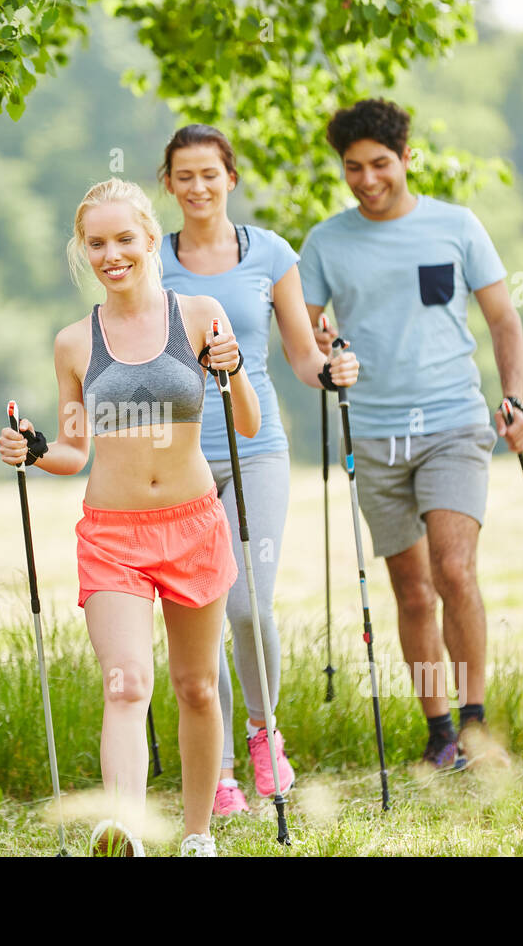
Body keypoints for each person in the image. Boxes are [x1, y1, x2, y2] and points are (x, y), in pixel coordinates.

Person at [0, 177, 261, 857]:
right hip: (113, 535)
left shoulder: (200, 314)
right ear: (82, 251)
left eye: (123, 239)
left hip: (194, 523)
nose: (111, 253)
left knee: (198, 688)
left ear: (150, 237)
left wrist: (234, 371)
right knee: (126, 682)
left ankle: (199, 834)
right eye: (96, 243)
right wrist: (32, 449)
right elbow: (76, 449)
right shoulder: (73, 343)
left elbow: (249, 423)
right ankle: (124, 831)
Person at [299, 98, 523, 769]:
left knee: (454, 571)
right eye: (352, 168)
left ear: (407, 158)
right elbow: (304, 334)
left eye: (379, 164)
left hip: (453, 423)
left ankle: (476, 723)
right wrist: (321, 348)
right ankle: (439, 734)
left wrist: (513, 399)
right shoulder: (326, 242)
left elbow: (504, 321)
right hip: (372, 433)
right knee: (411, 591)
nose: (367, 179)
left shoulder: (456, 227)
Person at [158, 125, 359, 816]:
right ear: (168, 185)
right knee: (196, 615)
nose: (198, 187)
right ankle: (213, 772)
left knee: (246, 603)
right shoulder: (151, 262)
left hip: (256, 445)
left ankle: (263, 731)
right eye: (184, 175)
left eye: (210, 174)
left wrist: (331, 372)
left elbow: (303, 357)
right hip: (177, 456)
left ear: (230, 179)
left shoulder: (269, 252)